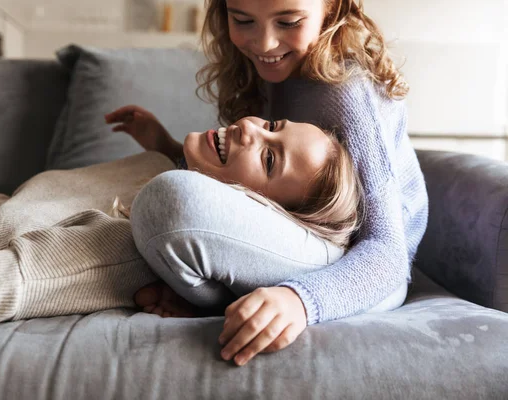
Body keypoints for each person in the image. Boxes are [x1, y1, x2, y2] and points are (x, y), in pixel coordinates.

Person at [105, 0, 428, 367]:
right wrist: (165, 146)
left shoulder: (348, 92)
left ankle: (212, 301)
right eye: (242, 19)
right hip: (304, 229)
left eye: (288, 21)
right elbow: (248, 179)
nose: (265, 43)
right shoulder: (273, 69)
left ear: (332, 9)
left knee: (180, 204)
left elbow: (388, 252)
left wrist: (300, 301)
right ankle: (217, 299)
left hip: (370, 266)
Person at [0, 116, 361, 341]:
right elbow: (14, 208)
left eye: (268, 158)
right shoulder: (162, 168)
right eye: (273, 126)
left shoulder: (123, 248)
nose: (249, 128)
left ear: (257, 214)